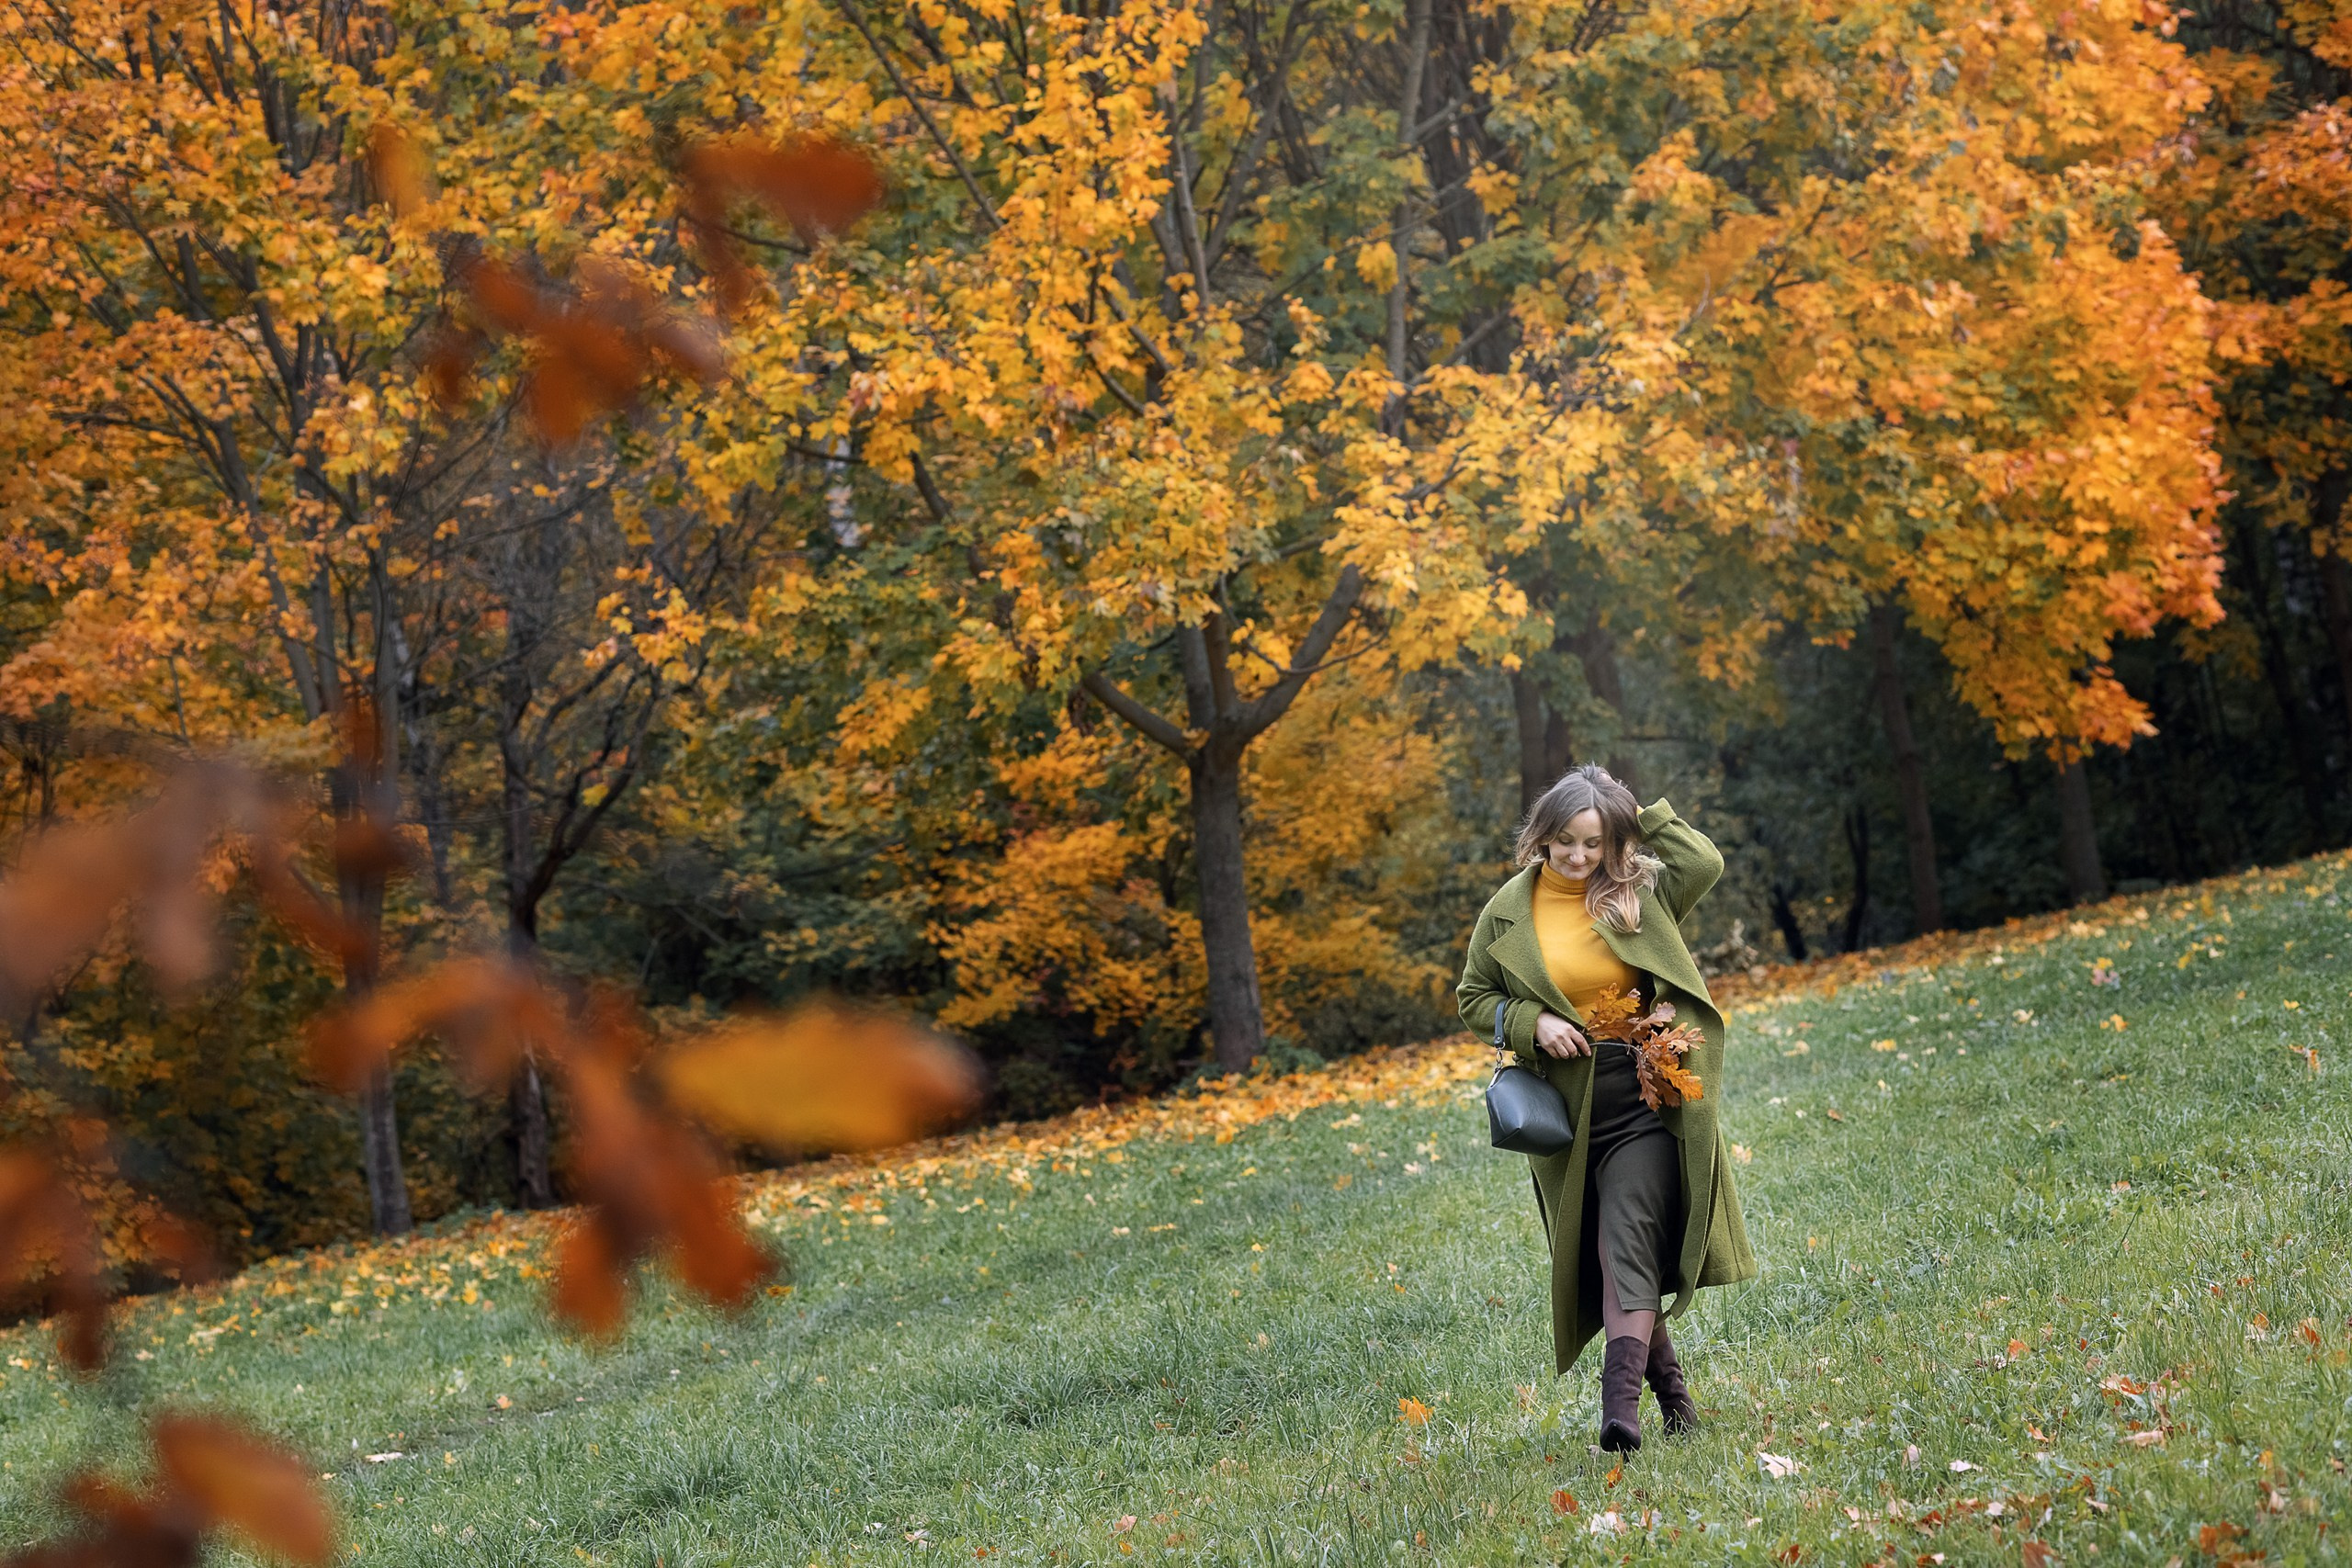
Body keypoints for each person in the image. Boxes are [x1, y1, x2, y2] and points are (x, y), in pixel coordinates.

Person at [1457, 764, 1757, 1451]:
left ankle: (1618, 1414)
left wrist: (1630, 808)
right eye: (1566, 840)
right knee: (1605, 1254)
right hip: (1564, 1115)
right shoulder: (1507, 910)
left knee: (1625, 1239)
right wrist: (1531, 1021)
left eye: (1594, 841)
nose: (1579, 855)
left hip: (1645, 1098)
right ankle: (1675, 1400)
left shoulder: (1636, 891)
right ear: (1542, 835)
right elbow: (1473, 997)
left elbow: (1702, 861)